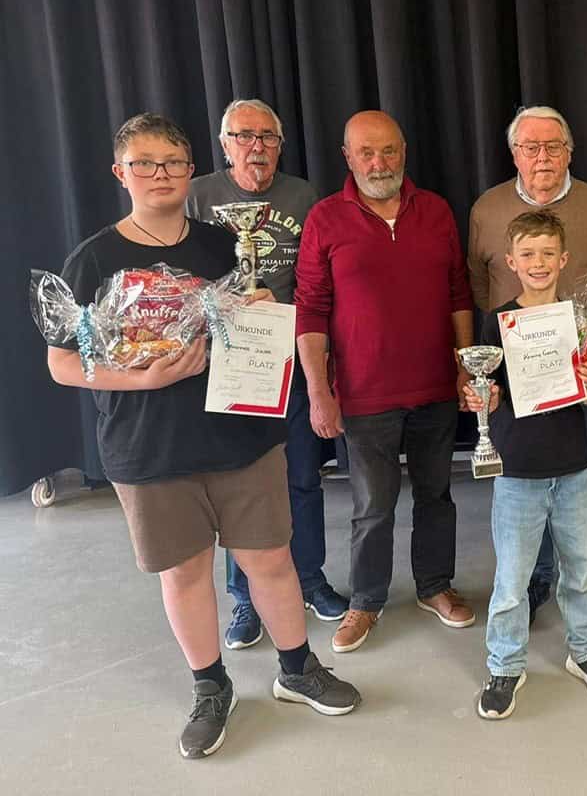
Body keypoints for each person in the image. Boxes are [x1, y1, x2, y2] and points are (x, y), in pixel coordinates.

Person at [46, 113, 359, 760]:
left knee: (271, 558)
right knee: (185, 573)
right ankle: (211, 686)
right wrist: (144, 378)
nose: (159, 175)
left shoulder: (224, 248)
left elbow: (246, 327)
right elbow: (63, 363)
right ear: (120, 172)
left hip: (241, 433)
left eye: (172, 163)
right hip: (148, 444)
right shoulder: (94, 258)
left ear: (192, 172)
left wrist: (261, 315)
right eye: (145, 163)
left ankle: (296, 668)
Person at [294, 110, 476, 653]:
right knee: (372, 507)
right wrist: (319, 392)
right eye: (367, 153)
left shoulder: (436, 210)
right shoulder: (325, 218)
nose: (379, 163)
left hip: (435, 387)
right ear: (347, 158)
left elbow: (459, 292)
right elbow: (310, 310)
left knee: (437, 496)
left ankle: (435, 586)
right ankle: (366, 600)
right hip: (364, 394)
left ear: (404, 152)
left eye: (389, 150)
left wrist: (465, 364)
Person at [187, 98, 347, 651]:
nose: (257, 147)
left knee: (302, 475)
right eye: (244, 136)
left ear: (280, 144)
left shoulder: (304, 196)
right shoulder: (197, 196)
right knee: (241, 486)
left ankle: (310, 579)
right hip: (227, 364)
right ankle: (244, 597)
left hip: (291, 358)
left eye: (268, 137)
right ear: (225, 144)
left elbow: (319, 279)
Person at [468, 105, 587, 621]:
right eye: (530, 147)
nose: (542, 156)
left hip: (586, 369)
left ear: (570, 152)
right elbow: (479, 285)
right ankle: (538, 578)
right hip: (518, 375)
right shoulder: (487, 209)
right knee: (527, 478)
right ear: (514, 153)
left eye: (553, 146)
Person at [464, 210, 587, 719]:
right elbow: (493, 390)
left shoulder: (581, 320)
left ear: (564, 259)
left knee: (581, 571)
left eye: (547, 253)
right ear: (511, 262)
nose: (538, 262)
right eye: (527, 254)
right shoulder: (498, 321)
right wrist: (483, 398)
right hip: (517, 467)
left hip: (574, 463)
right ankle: (505, 665)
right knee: (513, 578)